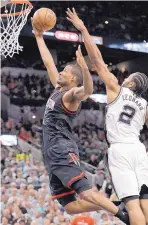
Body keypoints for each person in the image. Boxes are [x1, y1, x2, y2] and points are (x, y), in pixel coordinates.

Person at [31, 18, 129, 224]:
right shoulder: (59, 89)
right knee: (70, 207)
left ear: (73, 79)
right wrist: (39, 37)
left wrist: (85, 69)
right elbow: (48, 62)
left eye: (65, 71)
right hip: (52, 151)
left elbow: (87, 90)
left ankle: (123, 215)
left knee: (85, 193)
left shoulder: (70, 95)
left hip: (60, 148)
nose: (61, 72)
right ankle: (114, 202)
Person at [66, 7, 148, 225]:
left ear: (130, 83)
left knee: (132, 205)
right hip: (140, 149)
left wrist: (83, 29)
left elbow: (98, 59)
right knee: (146, 203)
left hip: (121, 149)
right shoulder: (144, 104)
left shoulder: (116, 88)